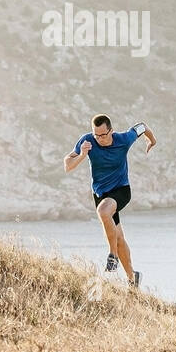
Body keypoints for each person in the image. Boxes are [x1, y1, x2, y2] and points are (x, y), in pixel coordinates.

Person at [64, 113, 156, 288]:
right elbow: (67, 165)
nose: (99, 139)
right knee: (119, 237)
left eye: (103, 135)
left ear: (111, 131)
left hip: (121, 190)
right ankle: (132, 278)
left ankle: (112, 256)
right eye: (96, 134)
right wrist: (83, 154)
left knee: (103, 211)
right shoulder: (87, 141)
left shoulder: (123, 139)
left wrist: (152, 141)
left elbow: (142, 126)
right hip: (101, 194)